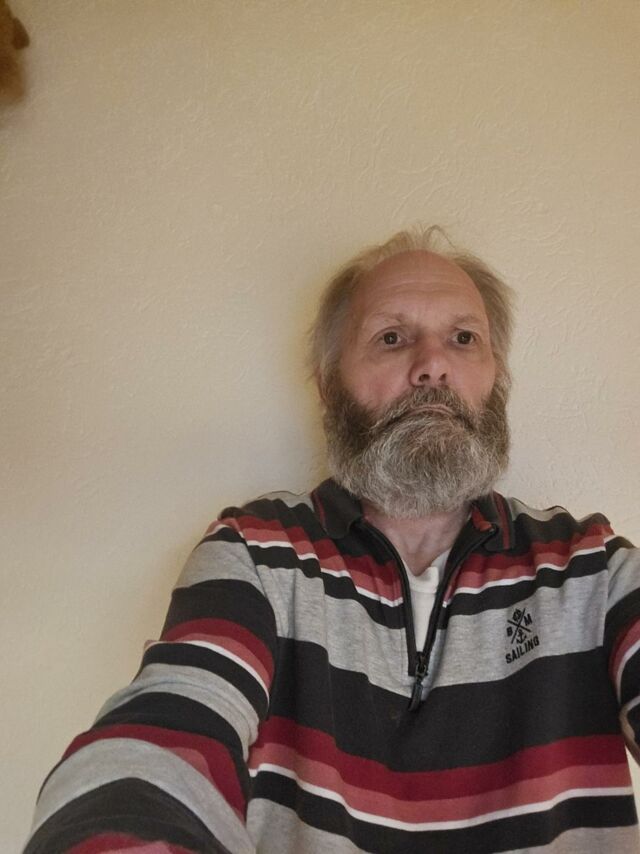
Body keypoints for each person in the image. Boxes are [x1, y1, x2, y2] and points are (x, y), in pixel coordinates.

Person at [25, 227, 640, 853]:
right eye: (392, 338)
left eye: (463, 338)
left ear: (496, 377)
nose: (433, 364)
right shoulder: (255, 554)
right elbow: (166, 734)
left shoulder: (593, 569)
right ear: (329, 384)